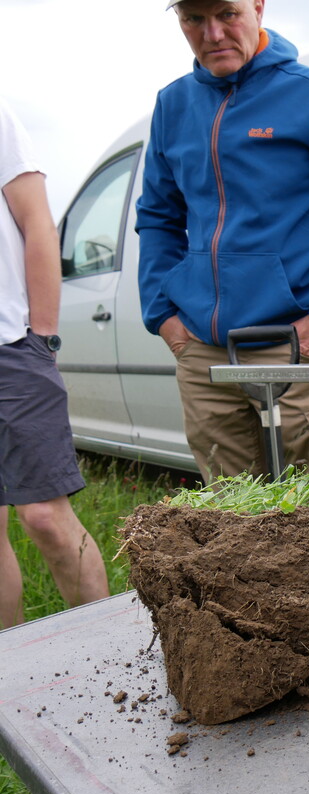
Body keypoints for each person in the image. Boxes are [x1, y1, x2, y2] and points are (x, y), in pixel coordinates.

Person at [136, 0, 309, 481]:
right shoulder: (173, 105)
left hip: (299, 344)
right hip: (205, 354)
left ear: (257, 6)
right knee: (228, 515)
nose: (212, 33)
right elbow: (157, 216)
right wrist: (162, 315)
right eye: (194, 19)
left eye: (227, 14)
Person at [0, 98, 110, 629]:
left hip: (11, 347)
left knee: (44, 515)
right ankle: (13, 668)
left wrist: (42, 337)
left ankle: (106, 652)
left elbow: (38, 223)